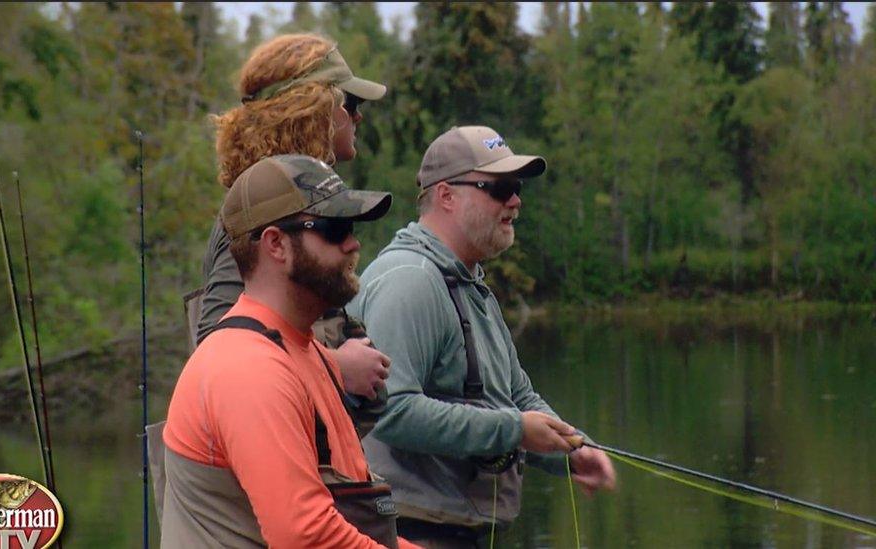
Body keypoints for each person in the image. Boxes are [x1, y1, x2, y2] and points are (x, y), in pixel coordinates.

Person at [347, 126, 617, 548]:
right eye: (499, 188)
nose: (515, 201)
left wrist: (571, 449)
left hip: (456, 531)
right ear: (447, 196)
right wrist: (515, 430)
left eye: (516, 187)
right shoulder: (410, 282)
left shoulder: (470, 284)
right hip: (409, 532)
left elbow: (518, 398)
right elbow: (391, 411)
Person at [162, 154, 420, 548]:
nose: (354, 243)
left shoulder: (302, 349)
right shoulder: (248, 368)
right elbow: (306, 535)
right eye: (335, 229)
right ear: (276, 244)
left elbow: (343, 518)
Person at [195, 33, 390, 404]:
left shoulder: (286, 201)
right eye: (350, 103)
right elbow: (217, 342)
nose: (358, 115)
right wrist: (336, 367)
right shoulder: (260, 210)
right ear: (314, 111)